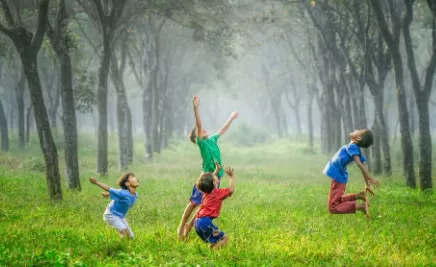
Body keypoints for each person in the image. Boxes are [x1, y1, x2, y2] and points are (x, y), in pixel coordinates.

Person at [177, 95, 238, 240]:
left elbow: (222, 130)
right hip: (206, 178)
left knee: (205, 204)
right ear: (196, 137)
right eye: (200, 131)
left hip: (216, 176)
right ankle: (181, 227)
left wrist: (231, 118)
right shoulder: (202, 144)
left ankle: (188, 228)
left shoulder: (212, 140)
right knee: (194, 203)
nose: (204, 130)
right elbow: (198, 124)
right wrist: (195, 108)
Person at [323, 129, 380, 219]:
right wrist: (367, 184)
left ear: (358, 137)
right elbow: (363, 166)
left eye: (359, 130)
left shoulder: (352, 147)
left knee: (332, 208)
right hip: (339, 176)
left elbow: (360, 164)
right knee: (337, 200)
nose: (356, 129)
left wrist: (369, 178)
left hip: (338, 177)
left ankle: (360, 207)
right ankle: (359, 196)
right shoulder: (354, 149)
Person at [194, 166, 235, 250]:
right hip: (205, 223)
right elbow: (231, 190)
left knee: (214, 241)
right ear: (214, 182)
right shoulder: (217, 193)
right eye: (214, 176)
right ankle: (214, 256)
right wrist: (231, 177)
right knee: (224, 238)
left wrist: (216, 171)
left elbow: (207, 182)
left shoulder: (205, 191)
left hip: (197, 222)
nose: (215, 176)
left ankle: (210, 253)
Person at [89, 173, 139, 238]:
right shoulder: (123, 193)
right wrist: (96, 182)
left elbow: (120, 197)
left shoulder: (135, 194)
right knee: (125, 232)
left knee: (131, 237)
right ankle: (118, 247)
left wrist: (107, 194)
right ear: (127, 183)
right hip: (111, 214)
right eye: (132, 177)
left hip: (120, 217)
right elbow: (108, 188)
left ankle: (123, 246)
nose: (136, 178)